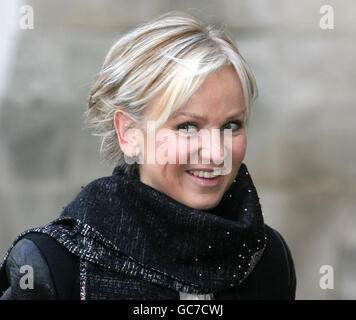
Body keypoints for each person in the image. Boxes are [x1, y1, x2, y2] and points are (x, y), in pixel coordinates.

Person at [0, 11, 296, 300]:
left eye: (231, 125)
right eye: (188, 126)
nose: (217, 153)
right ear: (129, 133)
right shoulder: (52, 265)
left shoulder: (267, 259)